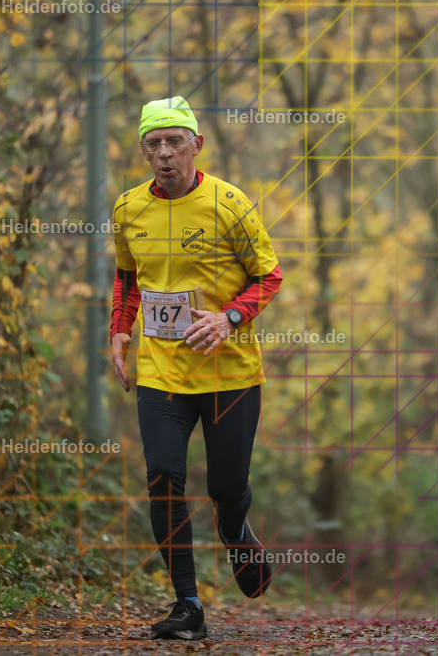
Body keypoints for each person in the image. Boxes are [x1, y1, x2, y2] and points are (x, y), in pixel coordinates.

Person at [108, 96, 283, 640]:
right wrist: (119, 328)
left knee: (227, 487)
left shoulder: (230, 205)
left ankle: (235, 529)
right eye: (153, 144)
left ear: (196, 145)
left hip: (229, 374)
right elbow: (127, 275)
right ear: (143, 151)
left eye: (174, 141)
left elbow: (270, 276)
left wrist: (230, 317)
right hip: (162, 373)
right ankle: (187, 604)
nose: (164, 153)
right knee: (163, 474)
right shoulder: (128, 209)